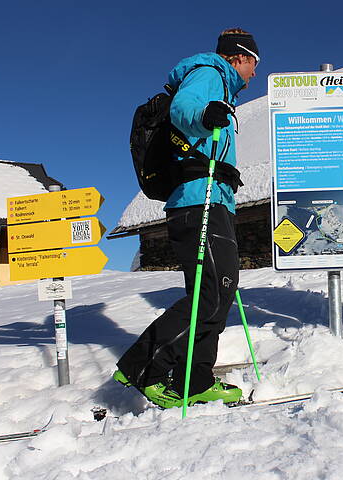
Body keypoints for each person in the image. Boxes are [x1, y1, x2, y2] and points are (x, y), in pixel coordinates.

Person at [113, 29, 259, 408]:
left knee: (217, 292)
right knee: (212, 293)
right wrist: (204, 114)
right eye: (254, 64)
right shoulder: (209, 73)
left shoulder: (222, 85)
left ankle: (194, 380)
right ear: (239, 58)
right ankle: (145, 369)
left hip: (211, 199)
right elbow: (184, 110)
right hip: (199, 201)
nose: (255, 74)